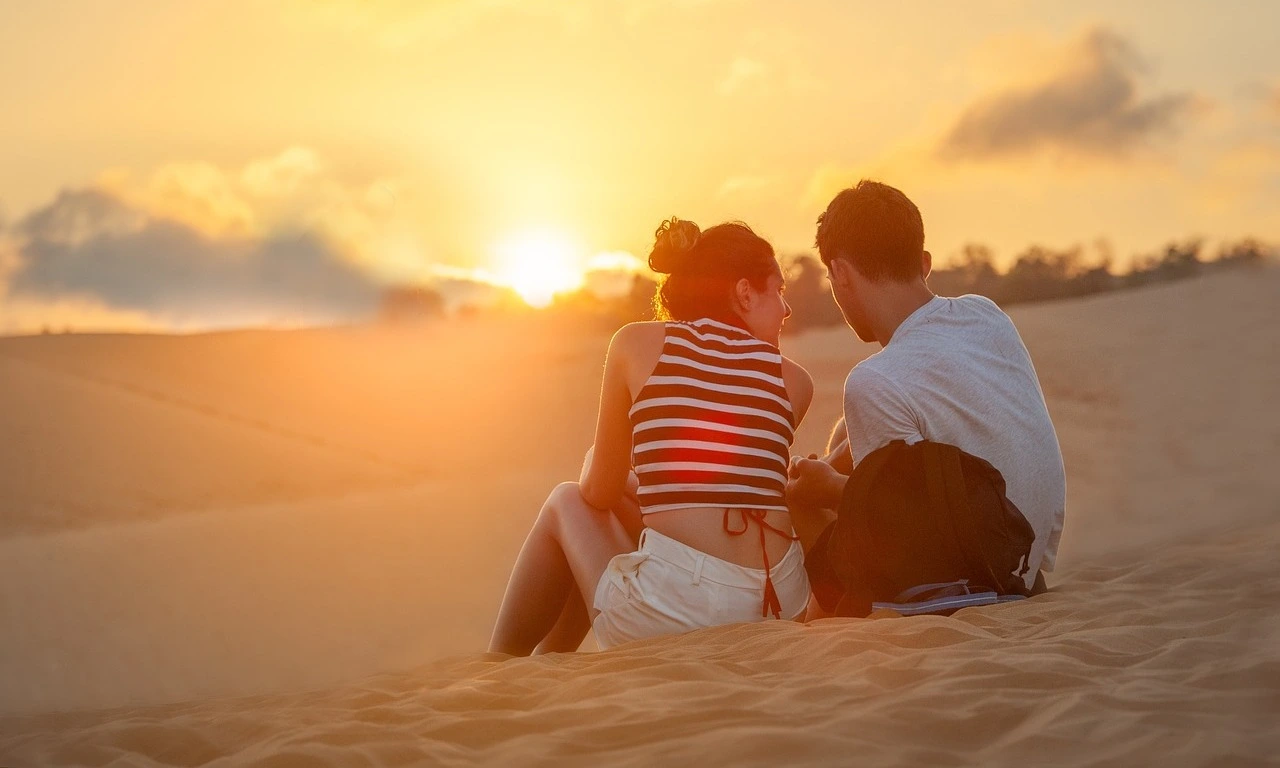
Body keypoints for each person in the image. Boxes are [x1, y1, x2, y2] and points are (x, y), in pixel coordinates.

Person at [489, 218, 815, 655]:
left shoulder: (635, 343)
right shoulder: (794, 382)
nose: (785, 308)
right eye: (779, 291)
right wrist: (632, 487)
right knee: (626, 514)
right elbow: (714, 488)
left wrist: (599, 465)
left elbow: (598, 492)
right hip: (779, 605)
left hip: (689, 611)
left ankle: (498, 662)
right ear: (742, 293)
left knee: (567, 500)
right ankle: (550, 666)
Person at [786, 180, 1065, 602]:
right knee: (849, 429)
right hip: (1027, 561)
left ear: (840, 273)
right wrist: (830, 465)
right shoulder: (986, 315)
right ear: (924, 262)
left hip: (979, 577)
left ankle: (823, 622)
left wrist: (824, 488)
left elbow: (890, 521)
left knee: (801, 500)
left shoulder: (874, 379)